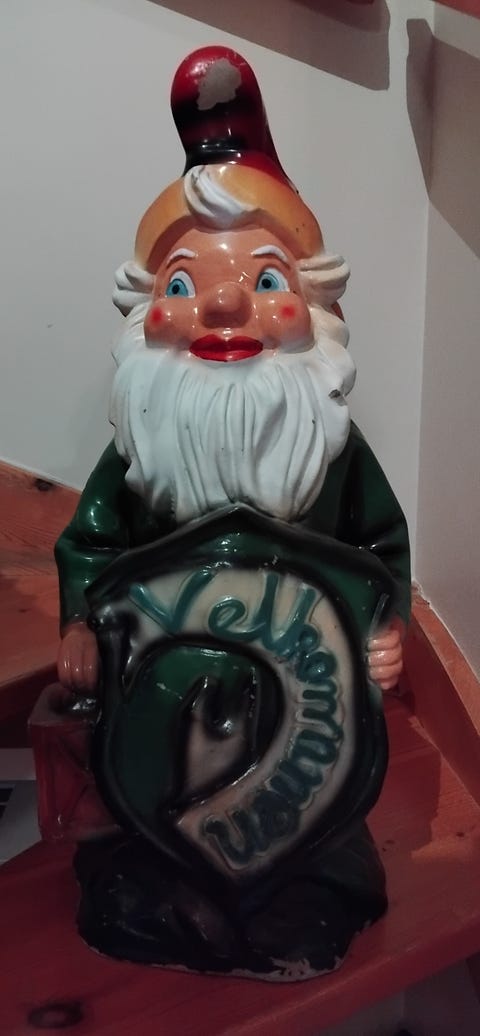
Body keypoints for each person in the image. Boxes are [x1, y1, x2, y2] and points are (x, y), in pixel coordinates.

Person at [55, 160, 410, 696]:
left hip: (308, 671)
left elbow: (381, 546)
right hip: (166, 669)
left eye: (267, 280)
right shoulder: (145, 444)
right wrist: (81, 624)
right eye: (181, 285)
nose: (224, 303)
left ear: (316, 309)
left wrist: (388, 624)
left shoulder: (331, 444)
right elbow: (92, 541)